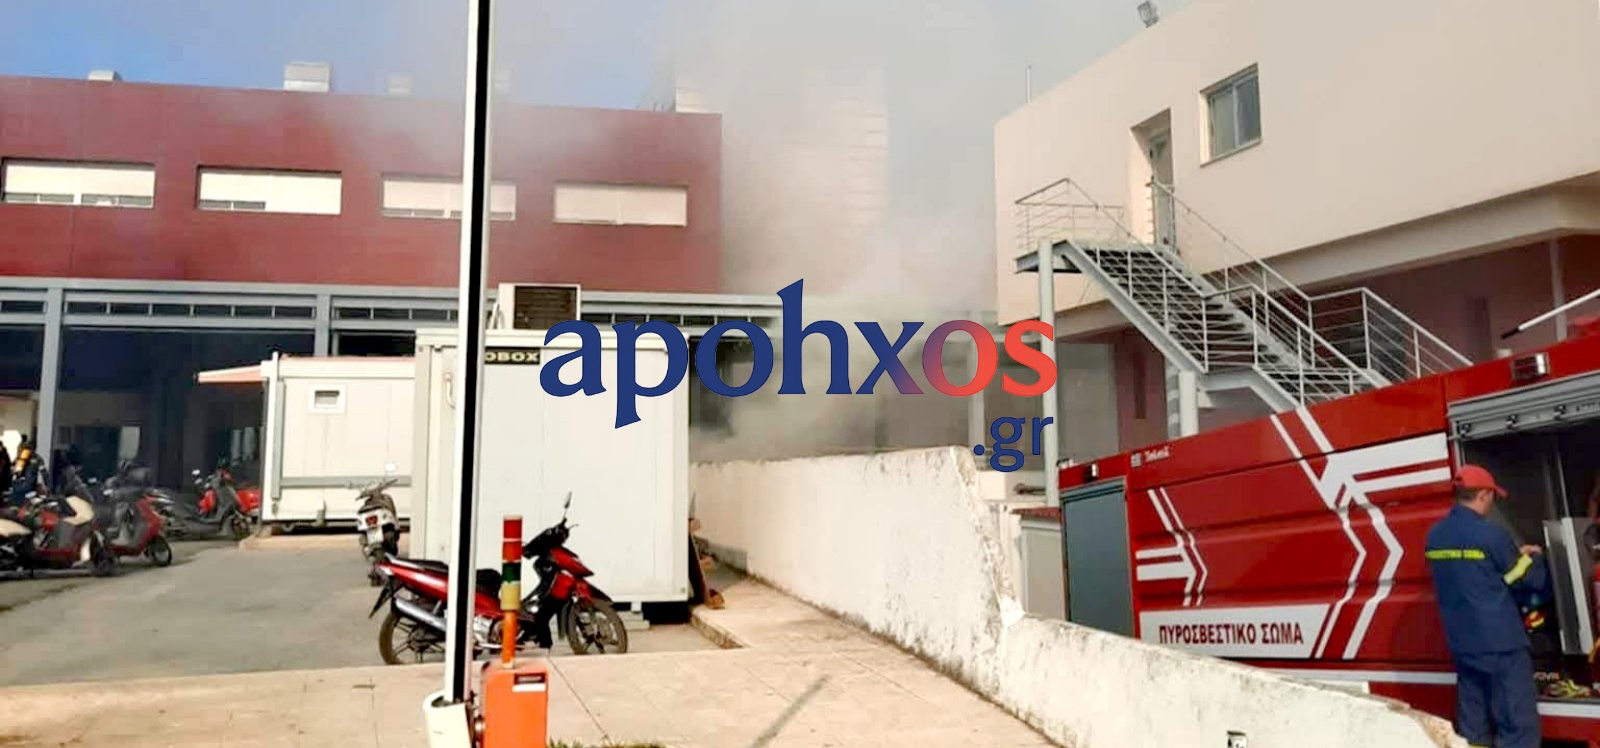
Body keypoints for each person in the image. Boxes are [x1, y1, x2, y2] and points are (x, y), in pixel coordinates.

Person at [1424, 464, 1548, 748]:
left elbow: (1471, 574)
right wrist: (1535, 558)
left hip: (1462, 644)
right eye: (1492, 496)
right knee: (1517, 726)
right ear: (1483, 495)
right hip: (1501, 644)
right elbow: (1526, 579)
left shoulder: (1435, 536)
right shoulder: (1491, 534)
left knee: (1473, 726)